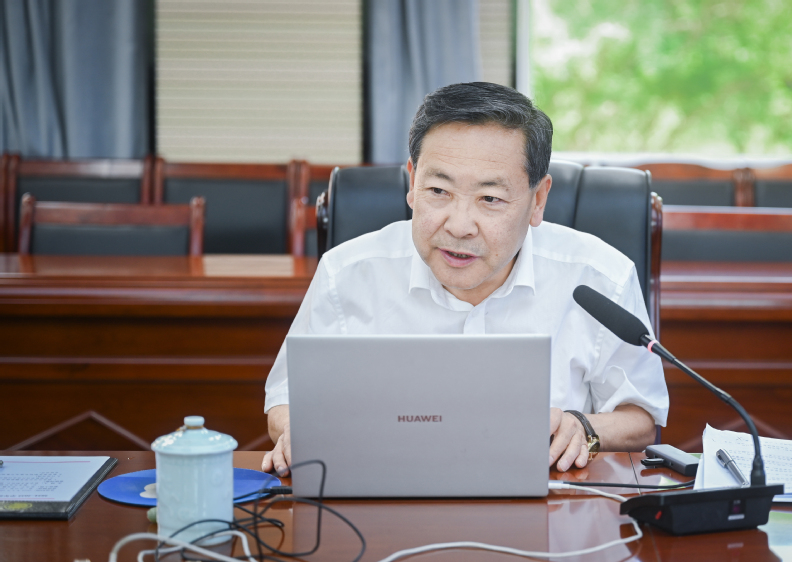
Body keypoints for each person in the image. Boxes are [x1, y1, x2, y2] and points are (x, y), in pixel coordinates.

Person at [262, 82, 668, 477]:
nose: (458, 226)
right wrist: (299, 432)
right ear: (412, 182)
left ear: (538, 200)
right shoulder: (346, 273)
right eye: (439, 190)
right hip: (382, 498)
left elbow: (641, 416)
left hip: (551, 507)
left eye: (490, 199)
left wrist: (584, 427)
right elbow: (284, 400)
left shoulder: (601, 278)